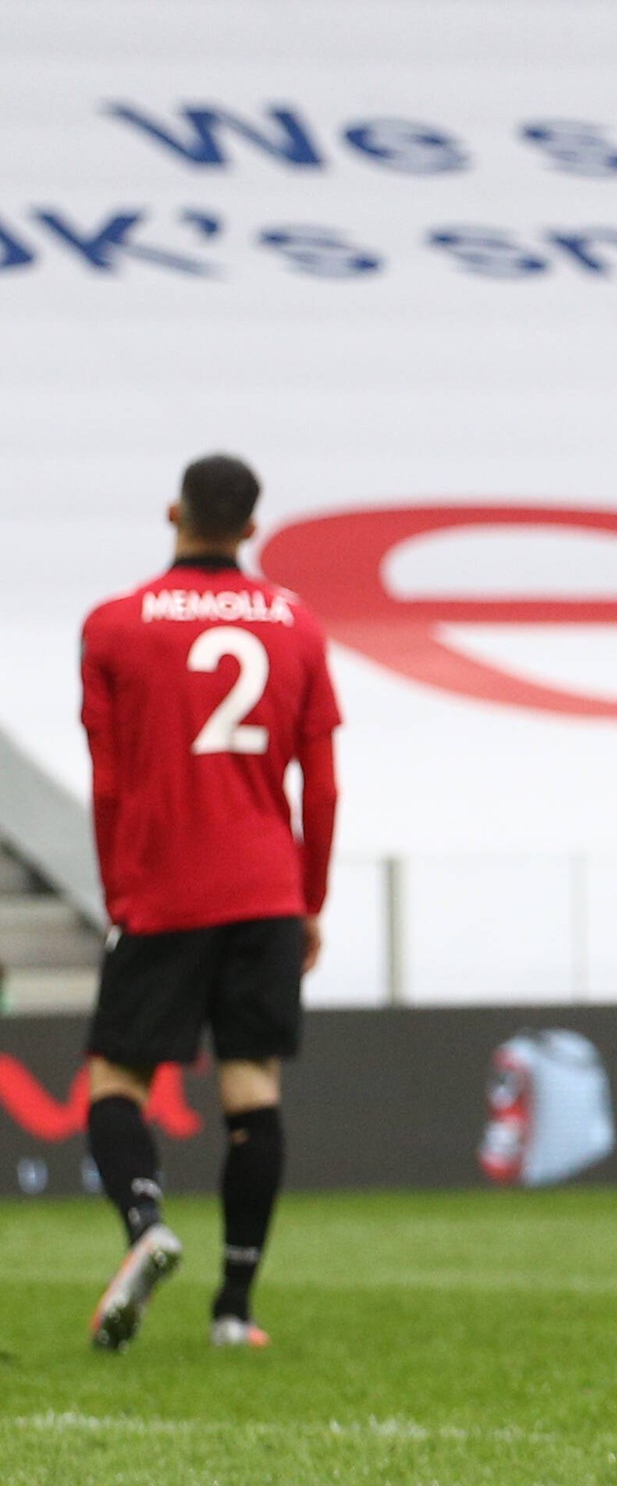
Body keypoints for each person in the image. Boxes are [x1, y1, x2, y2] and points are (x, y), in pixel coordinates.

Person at [78, 454, 341, 1352]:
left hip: (163, 885)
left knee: (118, 1080)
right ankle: (234, 1308)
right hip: (266, 888)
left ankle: (146, 1223)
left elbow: (108, 778)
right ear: (252, 528)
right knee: (252, 1089)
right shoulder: (298, 625)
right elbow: (323, 785)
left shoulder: (114, 626)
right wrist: (309, 898)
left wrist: (118, 885)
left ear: (174, 513)